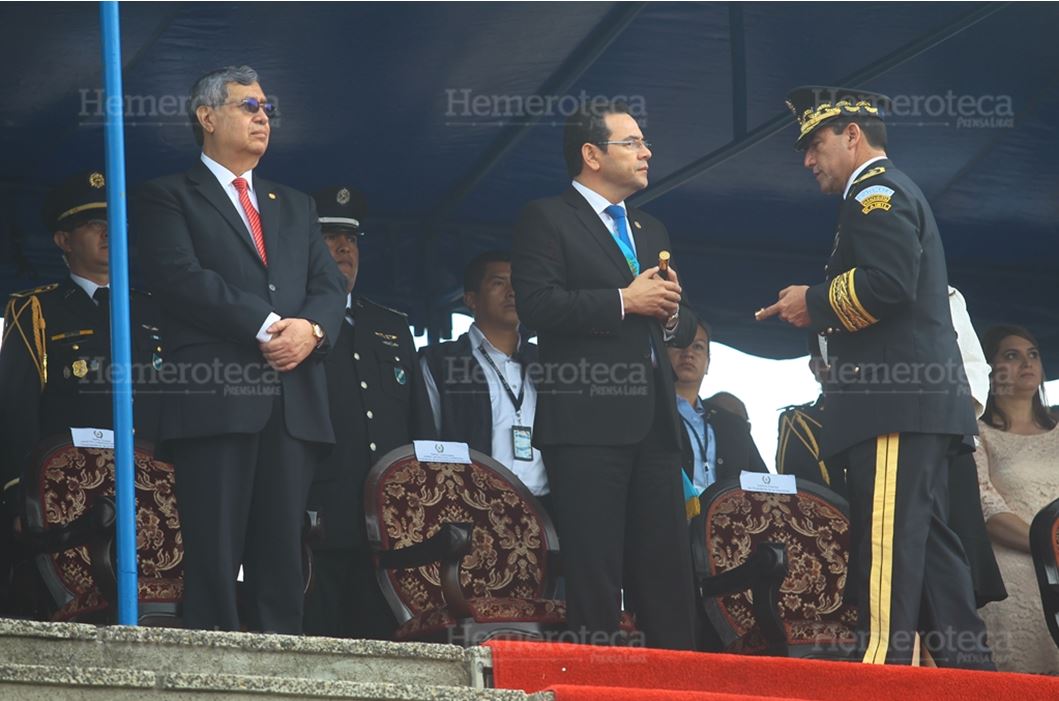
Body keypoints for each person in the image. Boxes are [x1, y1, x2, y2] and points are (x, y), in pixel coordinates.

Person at [758, 86, 992, 668]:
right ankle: (974, 675)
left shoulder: (875, 193)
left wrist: (811, 301)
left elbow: (889, 285)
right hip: (914, 405)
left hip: (893, 405)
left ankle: (880, 670)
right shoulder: (883, 193)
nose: (808, 160)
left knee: (885, 543)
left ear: (853, 136)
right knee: (929, 546)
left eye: (815, 144)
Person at [130, 65, 346, 633]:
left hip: (293, 398)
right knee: (215, 551)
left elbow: (330, 286)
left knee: (282, 549)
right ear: (206, 117)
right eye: (248, 106)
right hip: (216, 398)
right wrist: (273, 325)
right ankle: (214, 670)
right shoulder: (167, 196)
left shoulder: (295, 204)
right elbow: (180, 278)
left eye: (267, 109)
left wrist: (313, 331)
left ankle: (284, 669)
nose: (262, 117)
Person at [511, 99, 698, 649]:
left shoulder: (649, 224)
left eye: (645, 143)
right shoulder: (547, 217)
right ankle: (596, 681)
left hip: (656, 426)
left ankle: (679, 683)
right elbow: (539, 306)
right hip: (587, 425)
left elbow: (678, 318)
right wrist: (624, 299)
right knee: (595, 573)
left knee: (668, 571)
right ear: (591, 155)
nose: (647, 152)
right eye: (632, 143)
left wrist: (668, 313)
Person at [0, 170, 164, 616]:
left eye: (114, 222)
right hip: (67, 492)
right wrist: (18, 497)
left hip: (152, 493)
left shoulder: (155, 308)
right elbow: (17, 409)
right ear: (63, 240)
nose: (108, 232)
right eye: (93, 224)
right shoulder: (37, 308)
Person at [302, 184, 432, 639]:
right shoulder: (291, 324)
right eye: (330, 238)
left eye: (352, 240)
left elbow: (420, 428)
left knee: (386, 647)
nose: (344, 248)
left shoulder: (391, 325)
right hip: (319, 516)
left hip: (390, 524)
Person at [419, 251, 550, 511]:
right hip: (472, 508)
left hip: (545, 510)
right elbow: (427, 440)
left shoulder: (547, 363)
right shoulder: (441, 362)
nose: (512, 292)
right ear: (471, 300)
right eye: (498, 283)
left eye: (518, 283)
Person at [974, 324, 1059, 674]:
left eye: (1033, 354)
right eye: (1011, 355)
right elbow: (985, 504)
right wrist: (1048, 547)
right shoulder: (975, 433)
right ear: (989, 371)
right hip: (1013, 565)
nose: (1026, 362)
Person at [669, 319, 767, 495]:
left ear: (708, 363)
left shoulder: (734, 425)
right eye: (679, 344)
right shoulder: (648, 416)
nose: (688, 353)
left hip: (732, 520)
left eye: (698, 347)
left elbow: (764, 484)